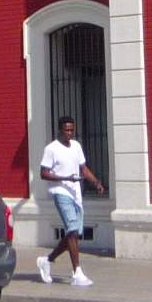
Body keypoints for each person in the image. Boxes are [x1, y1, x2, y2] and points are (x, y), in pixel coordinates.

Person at [35, 115, 104, 288]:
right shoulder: (51, 149)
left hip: (76, 194)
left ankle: (47, 260)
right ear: (60, 130)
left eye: (72, 130)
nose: (69, 133)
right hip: (60, 192)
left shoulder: (76, 146)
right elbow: (43, 173)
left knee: (74, 233)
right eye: (66, 130)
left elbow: (83, 168)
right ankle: (77, 273)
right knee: (72, 229)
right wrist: (64, 178)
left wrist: (95, 182)